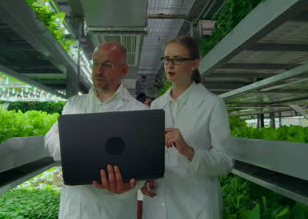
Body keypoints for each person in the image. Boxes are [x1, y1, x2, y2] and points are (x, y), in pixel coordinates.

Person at [44, 41, 147, 219]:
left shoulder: (139, 112)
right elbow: (51, 139)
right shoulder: (74, 105)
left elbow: (143, 169)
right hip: (74, 210)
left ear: (123, 71)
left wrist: (127, 187)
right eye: (96, 63)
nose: (98, 71)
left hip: (113, 210)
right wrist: (74, 151)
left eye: (108, 65)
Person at [141, 36, 234, 218]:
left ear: (194, 64)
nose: (170, 65)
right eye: (167, 59)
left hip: (195, 206)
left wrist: (189, 151)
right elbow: (151, 153)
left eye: (177, 59)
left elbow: (226, 162)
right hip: (159, 204)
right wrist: (146, 176)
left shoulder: (212, 104)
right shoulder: (156, 106)